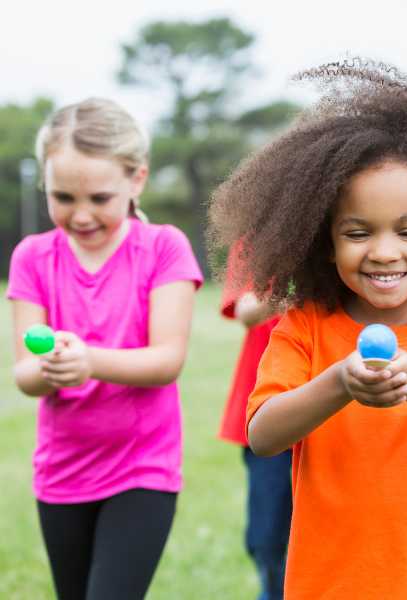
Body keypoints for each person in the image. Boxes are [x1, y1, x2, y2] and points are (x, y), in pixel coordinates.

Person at [207, 58, 407, 600]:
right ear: (325, 242)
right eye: (358, 233)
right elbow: (264, 435)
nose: (384, 252)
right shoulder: (305, 326)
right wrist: (339, 383)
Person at [8, 98, 203, 600]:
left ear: (136, 179)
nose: (80, 214)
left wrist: (89, 361)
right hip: (62, 471)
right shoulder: (33, 257)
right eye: (63, 197)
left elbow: (166, 361)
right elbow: (24, 376)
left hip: (142, 469)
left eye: (98, 197)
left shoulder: (164, 248)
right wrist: (52, 367)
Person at [218, 261, 291, 600]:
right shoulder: (260, 231)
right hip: (267, 413)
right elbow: (247, 310)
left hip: (342, 416)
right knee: (269, 540)